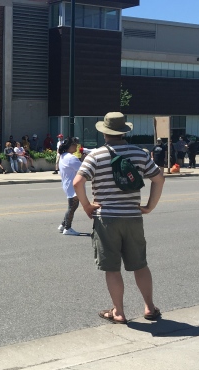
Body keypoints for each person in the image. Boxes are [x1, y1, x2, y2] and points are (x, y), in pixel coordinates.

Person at [72, 112, 164, 325]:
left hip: (107, 219)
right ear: (124, 131)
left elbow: (78, 182)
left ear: (104, 132)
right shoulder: (140, 154)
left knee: (112, 268)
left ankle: (119, 312)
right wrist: (149, 206)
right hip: (132, 217)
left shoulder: (95, 155)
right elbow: (159, 179)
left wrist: (87, 206)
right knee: (140, 264)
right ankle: (150, 307)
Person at [56, 138, 81, 236]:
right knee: (72, 207)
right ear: (69, 146)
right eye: (74, 144)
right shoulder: (71, 158)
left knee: (72, 206)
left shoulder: (63, 156)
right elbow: (83, 168)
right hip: (72, 185)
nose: (76, 146)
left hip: (67, 184)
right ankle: (67, 228)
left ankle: (63, 225)